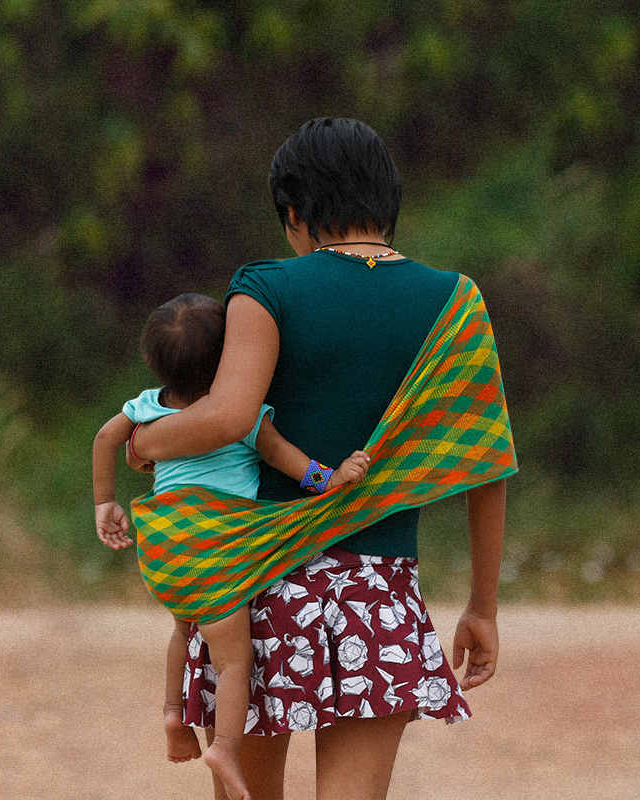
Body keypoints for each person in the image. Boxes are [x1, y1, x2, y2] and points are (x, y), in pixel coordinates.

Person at [129, 117, 509, 800]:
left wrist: (144, 442)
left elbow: (228, 416)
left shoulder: (267, 287)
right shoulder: (455, 302)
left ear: (296, 212)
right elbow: (485, 467)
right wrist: (482, 606)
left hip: (263, 580)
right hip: (381, 593)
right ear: (389, 203)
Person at [93, 291, 371, 800]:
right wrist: (332, 478)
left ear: (155, 363)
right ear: (231, 358)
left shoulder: (146, 409)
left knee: (185, 630)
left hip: (166, 549)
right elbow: (289, 460)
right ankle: (224, 745)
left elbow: (105, 439)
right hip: (215, 548)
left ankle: (173, 714)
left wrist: (104, 502)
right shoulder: (240, 416)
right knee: (234, 660)